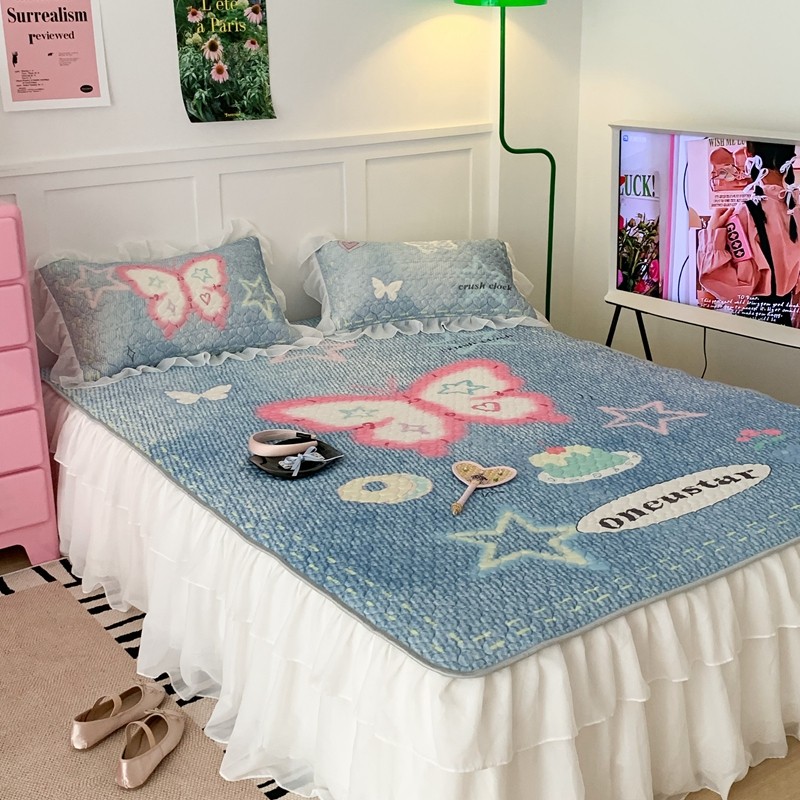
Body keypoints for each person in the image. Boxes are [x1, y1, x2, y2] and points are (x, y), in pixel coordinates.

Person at [697, 140, 800, 326]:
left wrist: (712, 236)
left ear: (748, 154)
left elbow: (731, 291)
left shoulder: (745, 213)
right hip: (785, 323)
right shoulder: (796, 210)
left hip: (752, 324)